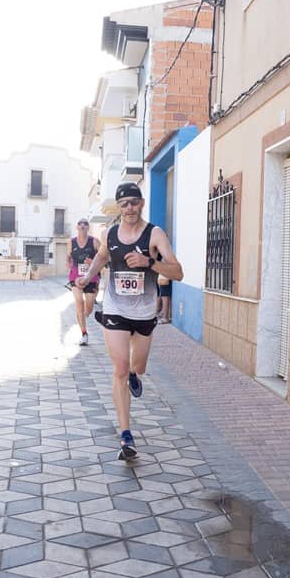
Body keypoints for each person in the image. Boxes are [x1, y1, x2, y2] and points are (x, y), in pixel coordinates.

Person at [77, 182, 183, 460]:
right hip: (115, 310)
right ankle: (126, 435)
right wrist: (87, 277)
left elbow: (178, 272)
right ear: (119, 207)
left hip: (144, 313)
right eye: (124, 204)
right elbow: (101, 258)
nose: (129, 208)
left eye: (134, 202)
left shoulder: (154, 234)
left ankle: (136, 374)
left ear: (142, 203)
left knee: (138, 366)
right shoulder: (109, 233)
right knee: (120, 369)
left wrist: (149, 262)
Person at [68, 218, 100, 345]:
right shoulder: (71, 242)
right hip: (75, 277)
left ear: (88, 227)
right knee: (79, 302)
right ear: (77, 227)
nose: (82, 225)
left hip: (91, 277)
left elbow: (103, 258)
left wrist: (93, 262)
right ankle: (84, 333)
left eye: (85, 223)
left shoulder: (95, 242)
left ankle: (84, 315)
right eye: (80, 223)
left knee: (89, 306)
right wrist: (69, 264)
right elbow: (68, 257)